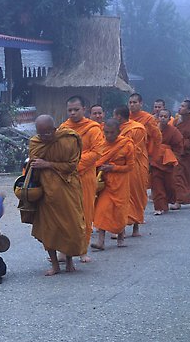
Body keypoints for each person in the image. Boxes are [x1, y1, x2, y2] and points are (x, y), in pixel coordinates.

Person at [29, 114, 86, 276]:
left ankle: (69, 261)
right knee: (49, 229)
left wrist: (47, 164)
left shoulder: (68, 140)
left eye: (48, 133)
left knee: (71, 226)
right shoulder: (36, 142)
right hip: (46, 192)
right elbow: (33, 161)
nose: (45, 137)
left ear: (55, 129)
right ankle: (55, 265)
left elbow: (71, 166)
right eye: (41, 133)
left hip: (67, 188)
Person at [59, 95, 104, 263]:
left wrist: (74, 164)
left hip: (85, 177)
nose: (72, 113)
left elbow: (97, 152)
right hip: (66, 178)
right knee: (66, 214)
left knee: (85, 213)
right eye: (70, 110)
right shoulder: (63, 128)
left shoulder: (93, 128)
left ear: (84, 109)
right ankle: (63, 250)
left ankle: (82, 250)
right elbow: (59, 150)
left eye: (76, 110)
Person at [91, 118, 134, 249]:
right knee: (101, 210)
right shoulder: (101, 144)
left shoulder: (127, 145)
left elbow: (130, 166)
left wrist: (113, 168)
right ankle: (101, 241)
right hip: (105, 182)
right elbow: (95, 161)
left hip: (120, 182)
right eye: (106, 132)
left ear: (118, 132)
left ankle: (121, 237)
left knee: (119, 210)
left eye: (112, 132)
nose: (108, 136)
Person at [113, 105, 148, 237]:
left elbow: (136, 150)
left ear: (119, 116)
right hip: (119, 167)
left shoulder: (137, 129)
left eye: (114, 115)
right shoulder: (115, 129)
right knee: (120, 198)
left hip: (135, 167)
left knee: (136, 196)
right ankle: (119, 228)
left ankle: (135, 227)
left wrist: (119, 155)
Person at [150, 109, 184, 215]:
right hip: (155, 161)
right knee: (156, 185)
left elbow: (179, 146)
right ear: (158, 118)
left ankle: (167, 202)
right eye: (161, 116)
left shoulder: (174, 131)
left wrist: (174, 158)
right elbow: (149, 143)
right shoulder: (154, 130)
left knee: (169, 185)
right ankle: (159, 207)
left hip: (168, 162)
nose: (163, 118)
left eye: (165, 117)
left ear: (169, 119)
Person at [128, 93, 162, 166]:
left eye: (134, 102)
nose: (132, 105)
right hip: (126, 153)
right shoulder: (125, 117)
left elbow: (157, 137)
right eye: (130, 102)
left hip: (142, 153)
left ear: (141, 104)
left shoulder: (148, 119)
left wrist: (153, 156)